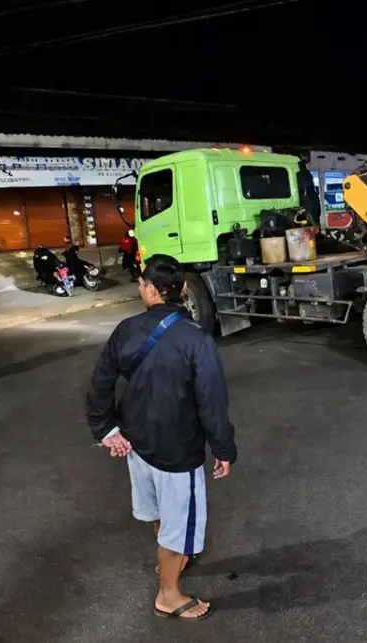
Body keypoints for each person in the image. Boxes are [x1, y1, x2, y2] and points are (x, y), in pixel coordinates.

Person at [86, 254, 236, 622]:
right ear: (182, 290)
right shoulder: (196, 339)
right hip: (176, 449)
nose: (139, 287)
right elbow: (212, 401)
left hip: (137, 444)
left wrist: (107, 431)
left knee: (161, 515)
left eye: (140, 283)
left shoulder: (125, 329)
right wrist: (223, 448)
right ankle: (169, 594)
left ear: (152, 290)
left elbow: (100, 385)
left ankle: (172, 562)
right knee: (177, 520)